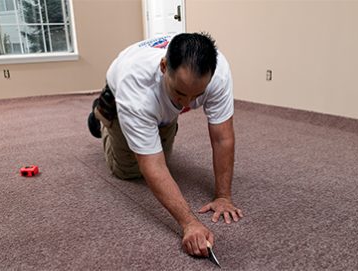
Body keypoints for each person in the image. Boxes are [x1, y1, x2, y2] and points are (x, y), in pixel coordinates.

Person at [87, 32, 243, 257]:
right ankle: (101, 116)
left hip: (156, 102)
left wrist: (223, 196)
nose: (187, 104)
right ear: (163, 66)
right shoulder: (135, 86)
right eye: (181, 93)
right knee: (128, 170)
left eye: (196, 95)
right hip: (123, 89)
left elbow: (222, 137)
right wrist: (189, 223)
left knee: (162, 136)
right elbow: (153, 166)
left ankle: (160, 121)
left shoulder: (218, 73)